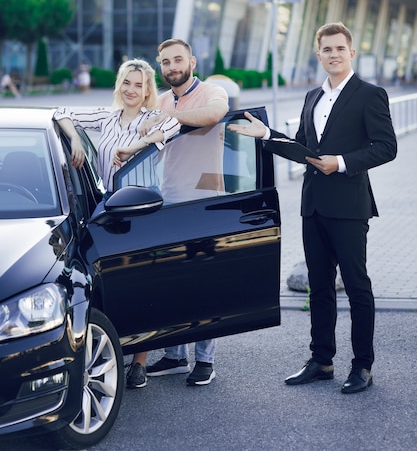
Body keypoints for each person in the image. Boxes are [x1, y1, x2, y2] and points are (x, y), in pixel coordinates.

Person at [228, 22, 397, 394]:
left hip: (350, 206)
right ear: (318, 55)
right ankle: (321, 360)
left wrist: (341, 161)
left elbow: (387, 147)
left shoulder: (370, 94)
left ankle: (362, 366)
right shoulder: (311, 98)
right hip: (313, 206)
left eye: (340, 48)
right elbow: (304, 148)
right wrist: (268, 136)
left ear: (351, 52)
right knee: (318, 288)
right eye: (327, 50)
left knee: (357, 288)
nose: (334, 54)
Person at [54, 59, 181, 388]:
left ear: (147, 90)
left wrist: (136, 145)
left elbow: (173, 126)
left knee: (142, 285)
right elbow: (61, 111)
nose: (131, 90)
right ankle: (114, 348)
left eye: (138, 85)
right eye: (127, 82)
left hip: (142, 211)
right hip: (108, 210)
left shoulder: (150, 118)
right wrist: (77, 140)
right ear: (120, 84)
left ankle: (139, 361)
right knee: (113, 285)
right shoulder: (106, 117)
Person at [128, 38, 229, 389]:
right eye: (165, 62)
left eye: (178, 60)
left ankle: (205, 360)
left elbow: (213, 116)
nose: (172, 67)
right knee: (171, 280)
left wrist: (164, 116)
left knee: (204, 284)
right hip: (168, 201)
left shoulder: (211, 92)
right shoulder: (160, 100)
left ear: (192, 61)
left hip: (205, 203)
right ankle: (174, 355)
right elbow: (140, 133)